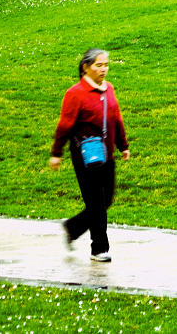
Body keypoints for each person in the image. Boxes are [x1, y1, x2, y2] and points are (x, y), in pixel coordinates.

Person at [50, 48, 130, 262]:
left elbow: (116, 118)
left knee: (106, 201)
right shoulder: (75, 93)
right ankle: (99, 249)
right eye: (98, 65)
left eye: (106, 65)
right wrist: (56, 153)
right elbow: (64, 125)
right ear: (86, 67)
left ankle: (72, 228)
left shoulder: (109, 89)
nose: (103, 69)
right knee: (96, 203)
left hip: (107, 156)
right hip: (86, 157)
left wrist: (123, 145)